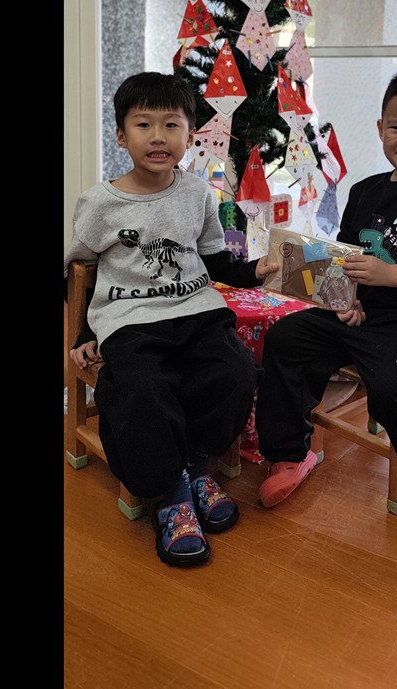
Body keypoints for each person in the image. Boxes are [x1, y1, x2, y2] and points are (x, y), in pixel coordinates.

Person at [255, 66, 397, 527]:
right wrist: (348, 299)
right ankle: (290, 452)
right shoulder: (364, 192)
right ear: (381, 129)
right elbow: (347, 260)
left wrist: (389, 273)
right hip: (364, 315)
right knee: (284, 339)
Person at [64, 72, 278, 568]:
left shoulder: (198, 193)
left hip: (196, 310)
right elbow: (78, 272)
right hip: (129, 319)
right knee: (140, 388)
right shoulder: (100, 203)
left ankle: (194, 464)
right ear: (122, 135)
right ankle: (170, 492)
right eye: (143, 125)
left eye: (171, 125)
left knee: (235, 372)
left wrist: (254, 271)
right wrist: (84, 332)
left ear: (190, 134)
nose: (158, 137)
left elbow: (215, 261)